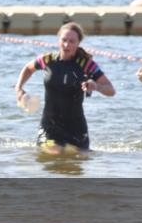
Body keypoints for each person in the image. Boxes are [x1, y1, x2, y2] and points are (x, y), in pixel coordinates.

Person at [14, 22, 115, 154]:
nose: (67, 45)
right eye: (64, 40)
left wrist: (96, 86)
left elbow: (111, 90)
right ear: (58, 40)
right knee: (53, 155)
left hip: (76, 127)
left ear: (78, 43)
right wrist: (19, 88)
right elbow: (28, 68)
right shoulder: (47, 59)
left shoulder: (86, 64)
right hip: (49, 126)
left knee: (75, 166)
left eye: (72, 41)